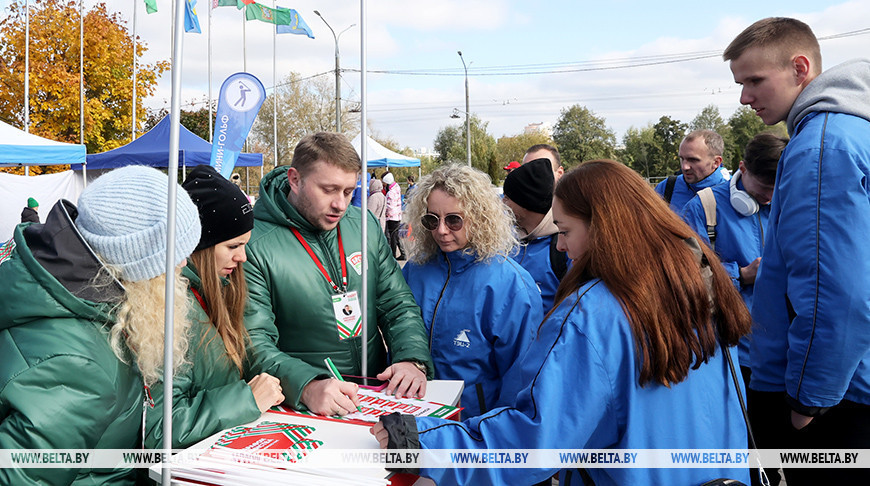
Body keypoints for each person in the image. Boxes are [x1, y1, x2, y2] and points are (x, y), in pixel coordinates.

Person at [372, 160, 753, 486]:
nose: (558, 245)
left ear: (606, 227)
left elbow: (536, 437)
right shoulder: (697, 281)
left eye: (565, 230)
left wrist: (420, 443)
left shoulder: (594, 314)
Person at [725, 17, 870, 485]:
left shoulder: (821, 147)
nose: (744, 97)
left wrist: (809, 400)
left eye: (754, 81)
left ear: (800, 68)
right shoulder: (849, 132)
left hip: (837, 397)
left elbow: (837, 292)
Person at [0, 165, 200, 485]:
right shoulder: (80, 365)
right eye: (176, 254)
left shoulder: (95, 307)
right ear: (137, 262)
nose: (184, 264)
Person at [244, 132, 433, 417]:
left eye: (348, 191)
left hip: (374, 396)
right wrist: (307, 386)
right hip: (303, 407)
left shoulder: (363, 225)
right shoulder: (254, 244)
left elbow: (397, 303)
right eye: (329, 190)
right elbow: (252, 341)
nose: (341, 205)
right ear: (295, 180)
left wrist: (410, 359)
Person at [143, 165, 284, 449]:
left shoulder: (219, 290)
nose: (243, 257)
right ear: (198, 245)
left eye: (245, 244)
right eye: (233, 246)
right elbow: (158, 429)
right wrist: (246, 400)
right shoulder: (168, 308)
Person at [401, 164, 543, 418]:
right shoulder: (415, 269)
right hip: (412, 414)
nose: (441, 230)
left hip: (472, 428)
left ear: (478, 217)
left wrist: (493, 437)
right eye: (431, 220)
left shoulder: (511, 285)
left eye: (454, 220)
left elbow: (519, 379)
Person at [682, 132, 786, 389]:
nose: (769, 198)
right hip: (732, 353)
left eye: (777, 189)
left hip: (785, 352)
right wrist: (740, 275)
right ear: (742, 168)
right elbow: (683, 278)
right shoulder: (703, 207)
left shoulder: (793, 204)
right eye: (763, 189)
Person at [503, 157, 569, 314]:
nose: (502, 203)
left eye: (508, 198)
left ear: (525, 204)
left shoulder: (563, 248)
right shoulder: (506, 240)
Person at [654, 130, 727, 211]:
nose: (684, 167)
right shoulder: (666, 187)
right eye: (682, 159)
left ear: (716, 162)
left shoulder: (731, 194)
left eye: (693, 160)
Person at [383, 171, 406, 260]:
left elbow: (390, 207)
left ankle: (393, 255)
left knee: (392, 238)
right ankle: (403, 253)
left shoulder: (390, 193)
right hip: (397, 216)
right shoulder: (397, 188)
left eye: (384, 182)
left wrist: (385, 213)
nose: (383, 184)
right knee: (396, 236)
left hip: (391, 217)